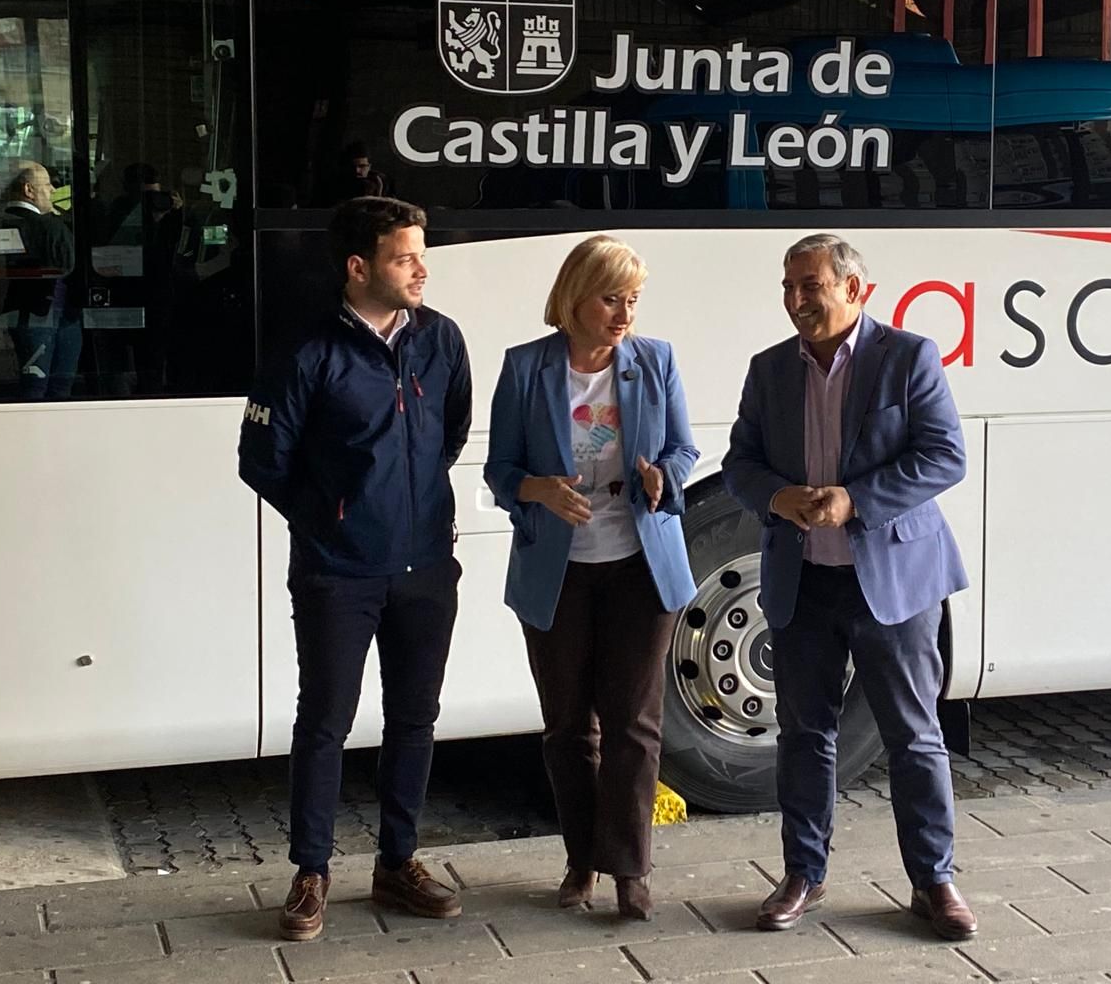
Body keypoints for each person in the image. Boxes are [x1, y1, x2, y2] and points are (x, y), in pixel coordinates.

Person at [722, 232, 978, 942]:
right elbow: (740, 462)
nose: (795, 299)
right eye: (788, 286)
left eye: (810, 285)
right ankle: (802, 873)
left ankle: (935, 882)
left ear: (855, 289)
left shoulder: (908, 357)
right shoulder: (769, 369)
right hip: (803, 582)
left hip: (893, 580)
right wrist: (777, 498)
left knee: (914, 737)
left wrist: (854, 499)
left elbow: (944, 454)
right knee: (805, 736)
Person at [237, 196, 473, 941]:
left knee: (414, 718)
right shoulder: (307, 350)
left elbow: (451, 431)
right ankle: (311, 871)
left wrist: (415, 513)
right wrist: (334, 522)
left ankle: (399, 863)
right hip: (339, 574)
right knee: (325, 722)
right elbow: (261, 460)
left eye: (420, 254)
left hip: (427, 566)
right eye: (405, 257)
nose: (420, 269)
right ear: (358, 265)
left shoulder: (442, 340)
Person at [484, 235, 698, 922]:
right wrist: (538, 490)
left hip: (640, 566)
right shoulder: (525, 369)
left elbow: (685, 449)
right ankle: (581, 859)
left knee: (635, 724)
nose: (624, 314)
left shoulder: (655, 362)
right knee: (568, 727)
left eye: (633, 300)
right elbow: (498, 471)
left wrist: (666, 478)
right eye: (612, 298)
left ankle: (631, 869)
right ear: (574, 296)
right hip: (559, 573)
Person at [0, 161, 80, 400]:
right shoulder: (47, 224)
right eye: (47, 184)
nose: (54, 190)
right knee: (48, 388)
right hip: (45, 312)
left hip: (36, 311)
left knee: (38, 386)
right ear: (29, 190)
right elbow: (66, 261)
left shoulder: (3, 219)